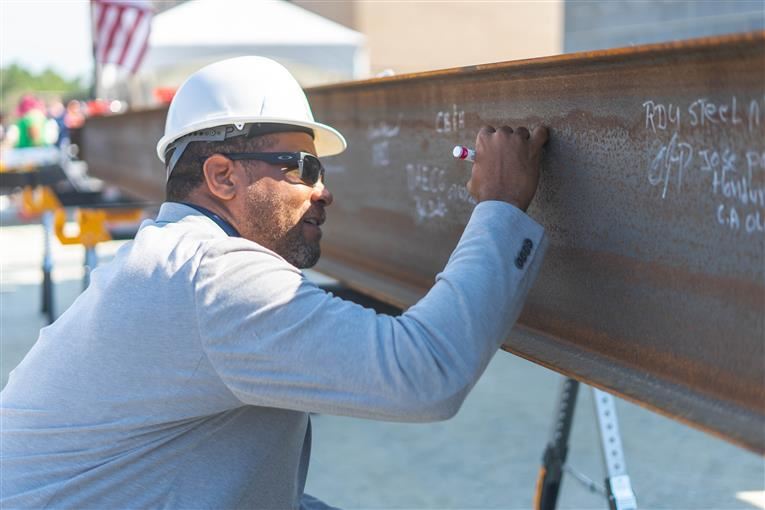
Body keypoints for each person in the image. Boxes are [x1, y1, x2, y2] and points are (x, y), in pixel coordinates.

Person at [0, 56, 549, 508]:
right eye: (301, 168)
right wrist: (501, 208)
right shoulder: (212, 275)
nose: (322, 191)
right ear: (221, 176)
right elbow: (426, 374)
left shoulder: (164, 259)